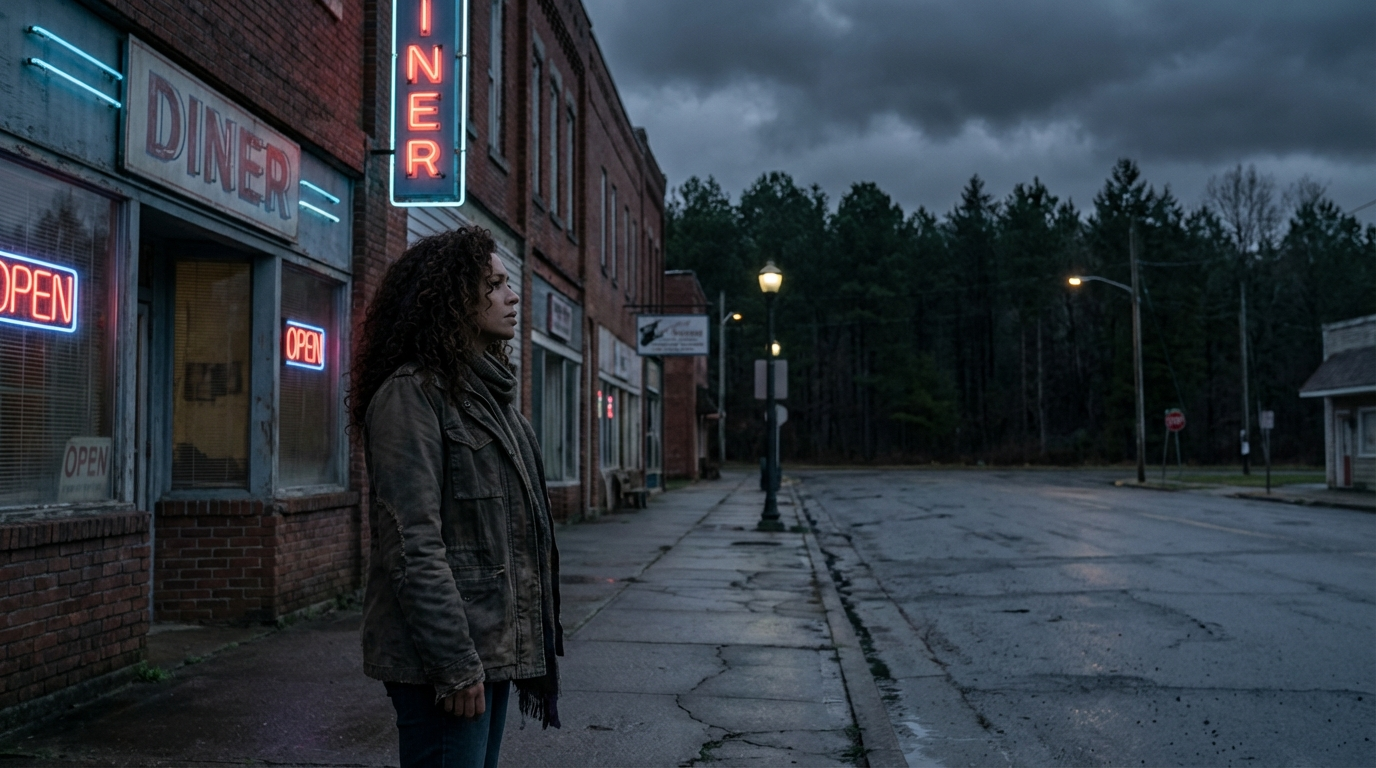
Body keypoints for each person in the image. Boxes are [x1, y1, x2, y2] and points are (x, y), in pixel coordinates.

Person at [350, 227, 562, 768]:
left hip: (487, 652)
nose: (511, 297)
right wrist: (455, 664)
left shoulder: (493, 399)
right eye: (494, 285)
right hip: (446, 664)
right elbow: (412, 544)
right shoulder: (411, 395)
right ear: (452, 301)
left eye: (508, 284)